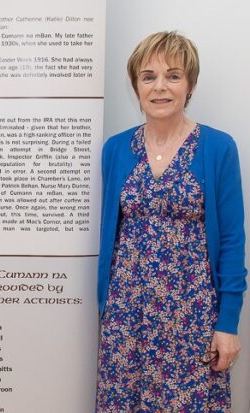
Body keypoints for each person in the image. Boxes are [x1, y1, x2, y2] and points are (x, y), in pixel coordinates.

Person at [95, 31, 247, 411]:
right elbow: (109, 240)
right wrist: (106, 313)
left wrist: (227, 323)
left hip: (192, 317)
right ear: (135, 86)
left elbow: (231, 240)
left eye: (173, 76)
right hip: (126, 318)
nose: (160, 87)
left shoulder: (217, 147)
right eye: (148, 77)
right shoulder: (115, 149)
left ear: (190, 84)